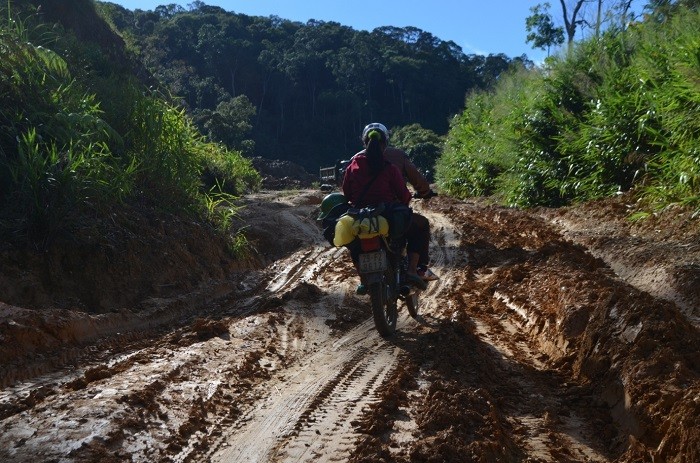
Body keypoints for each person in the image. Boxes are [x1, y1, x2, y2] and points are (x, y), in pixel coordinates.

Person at [342, 124, 431, 291]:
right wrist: (402, 206)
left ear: (364, 142)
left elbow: (346, 193)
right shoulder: (389, 166)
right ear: (385, 143)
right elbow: (404, 195)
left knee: (354, 243)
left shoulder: (353, 164)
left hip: (360, 217)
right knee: (421, 225)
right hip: (388, 215)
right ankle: (413, 270)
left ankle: (363, 276)